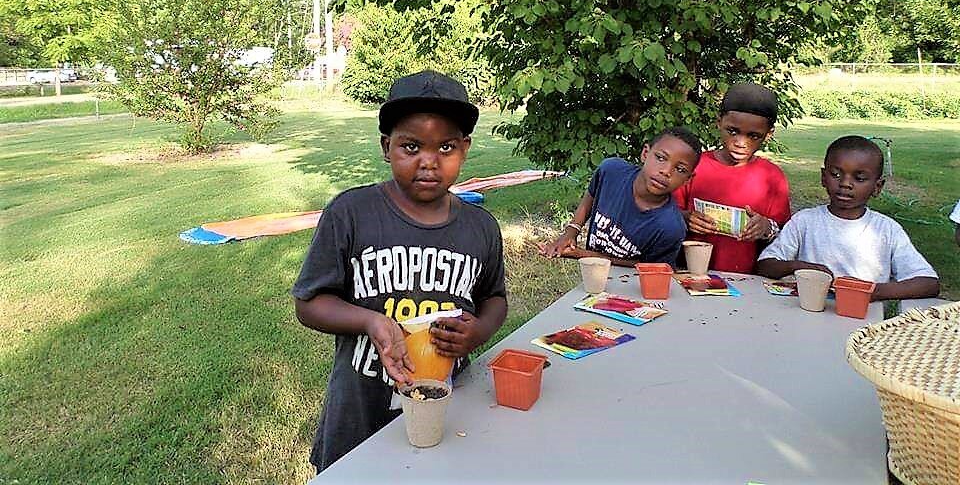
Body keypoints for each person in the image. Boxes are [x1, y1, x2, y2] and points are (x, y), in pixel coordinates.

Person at [292, 70, 507, 472]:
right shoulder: (351, 213)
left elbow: (494, 297)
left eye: (445, 147)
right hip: (361, 405)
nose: (429, 161)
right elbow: (309, 304)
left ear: (465, 149)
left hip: (449, 402)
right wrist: (371, 321)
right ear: (386, 147)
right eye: (411, 146)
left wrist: (478, 331)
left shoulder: (481, 228)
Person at [756, 136, 939, 301]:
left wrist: (870, 292)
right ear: (823, 177)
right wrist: (799, 266)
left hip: (863, 322)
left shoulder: (886, 230)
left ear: (877, 186)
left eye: (859, 178)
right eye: (836, 174)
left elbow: (929, 283)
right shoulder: (804, 222)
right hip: (809, 312)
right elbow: (765, 266)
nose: (845, 184)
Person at [539, 127, 702, 267]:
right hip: (593, 280)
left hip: (633, 292)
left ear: (688, 179)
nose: (666, 171)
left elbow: (648, 268)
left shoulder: (670, 227)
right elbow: (590, 196)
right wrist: (571, 232)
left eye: (680, 169)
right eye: (660, 158)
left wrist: (582, 254)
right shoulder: (611, 171)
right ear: (645, 153)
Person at [674, 82, 791, 273]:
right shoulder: (694, 165)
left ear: (768, 134)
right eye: (733, 131)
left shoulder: (772, 177)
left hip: (745, 281)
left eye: (754, 136)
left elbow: (783, 232)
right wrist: (685, 218)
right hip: (686, 272)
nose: (741, 142)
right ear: (719, 122)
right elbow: (664, 213)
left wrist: (765, 227)